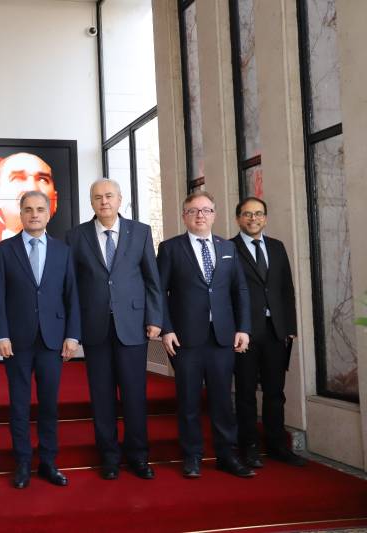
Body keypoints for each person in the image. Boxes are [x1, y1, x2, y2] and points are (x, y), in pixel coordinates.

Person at [65, 179, 162, 480]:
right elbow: (72, 287)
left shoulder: (140, 232)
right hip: (95, 327)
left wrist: (155, 318)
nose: (104, 201)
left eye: (109, 196)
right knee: (102, 396)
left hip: (133, 326)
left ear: (120, 199)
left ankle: (139, 456)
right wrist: (73, 329)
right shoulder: (76, 236)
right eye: (97, 197)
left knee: (134, 395)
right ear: (91, 202)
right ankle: (108, 457)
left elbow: (152, 279)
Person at [158, 191, 254, 479]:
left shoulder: (228, 248)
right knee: (188, 401)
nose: (200, 215)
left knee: (223, 400)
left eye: (206, 210)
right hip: (185, 339)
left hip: (222, 337)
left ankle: (227, 455)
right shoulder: (170, 248)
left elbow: (240, 290)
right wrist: (166, 329)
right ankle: (192, 456)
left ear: (214, 214)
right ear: (184, 216)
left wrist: (243, 327)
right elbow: (159, 292)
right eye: (193, 210)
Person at [0, 190, 80, 489]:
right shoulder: (4, 250)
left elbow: (72, 296)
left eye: (40, 209)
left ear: (48, 213)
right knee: (19, 405)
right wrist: (0, 334)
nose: (34, 214)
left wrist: (72, 335)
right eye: (28, 209)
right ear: (21, 213)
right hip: (16, 341)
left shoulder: (63, 251)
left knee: (49, 405)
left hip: (52, 340)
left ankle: (49, 462)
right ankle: (22, 463)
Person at [231, 197, 305, 468]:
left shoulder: (277, 247)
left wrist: (290, 327)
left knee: (275, 392)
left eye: (259, 214)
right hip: (245, 333)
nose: (254, 219)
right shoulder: (228, 248)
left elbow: (286, 289)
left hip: (275, 332)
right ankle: (249, 447)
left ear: (265, 218)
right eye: (248, 214)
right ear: (238, 218)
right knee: (246, 392)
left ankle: (276, 446)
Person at [0, 152, 59, 239]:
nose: (32, 188)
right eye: (17, 178)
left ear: (55, 201)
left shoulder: (67, 246)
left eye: (43, 179)